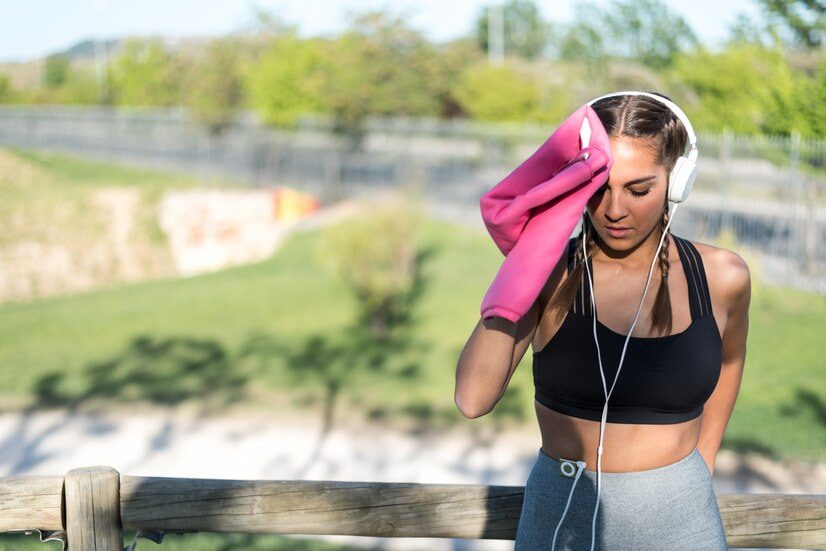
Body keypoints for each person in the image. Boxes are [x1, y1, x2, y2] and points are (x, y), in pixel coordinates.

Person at [454, 92, 751, 550]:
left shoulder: (723, 277)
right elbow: (473, 398)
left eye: (639, 189)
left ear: (677, 182)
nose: (614, 211)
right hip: (560, 519)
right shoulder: (549, 274)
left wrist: (703, 461)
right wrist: (526, 263)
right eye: (598, 190)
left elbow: (730, 363)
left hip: (682, 520)